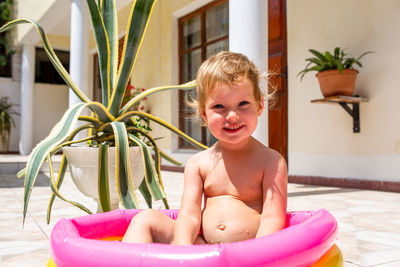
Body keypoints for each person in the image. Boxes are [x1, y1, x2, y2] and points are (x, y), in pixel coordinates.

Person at [122, 51, 287, 245]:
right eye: (219, 107)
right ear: (204, 114)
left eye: (243, 103)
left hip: (246, 254)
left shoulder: (271, 162)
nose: (232, 116)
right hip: (203, 249)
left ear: (259, 106)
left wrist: (256, 256)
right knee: (145, 219)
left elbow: (272, 218)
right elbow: (189, 216)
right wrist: (183, 249)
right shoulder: (199, 164)